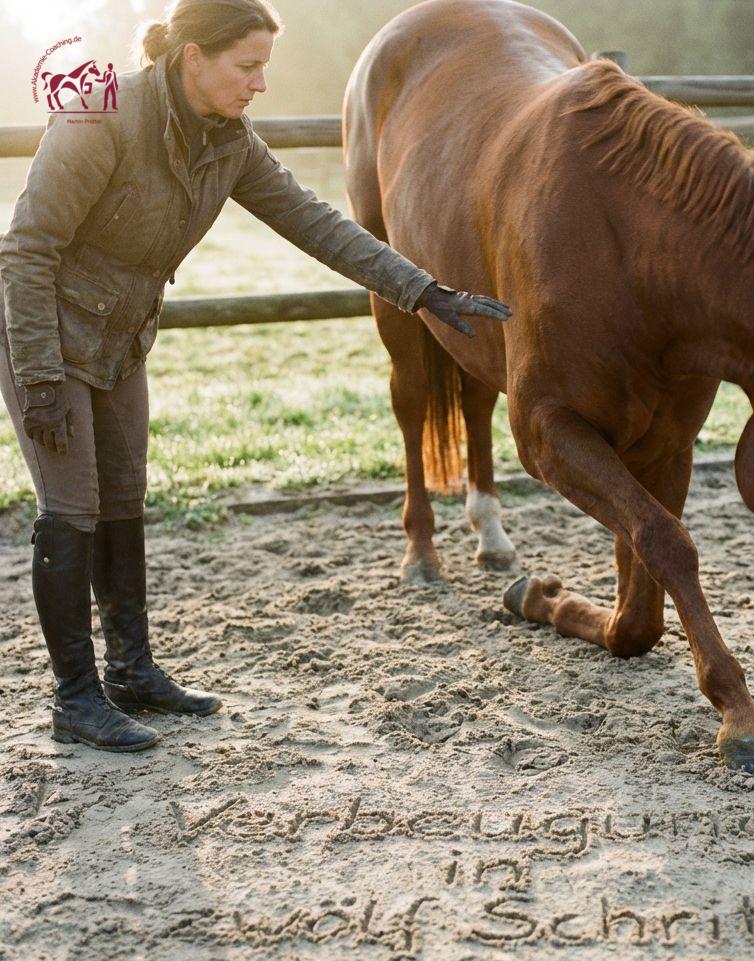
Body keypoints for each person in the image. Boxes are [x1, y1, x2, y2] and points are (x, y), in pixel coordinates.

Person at [0, 0, 511, 753]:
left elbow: (317, 224)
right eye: (247, 66)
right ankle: (74, 699)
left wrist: (423, 290)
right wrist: (40, 376)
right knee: (72, 505)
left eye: (264, 66)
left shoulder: (229, 141)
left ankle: (130, 671)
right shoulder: (99, 116)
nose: (260, 84)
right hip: (43, 333)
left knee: (124, 497)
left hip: (121, 339)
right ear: (192, 57)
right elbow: (26, 249)